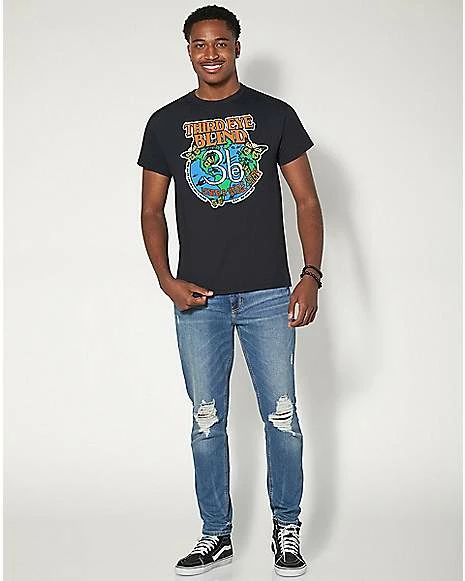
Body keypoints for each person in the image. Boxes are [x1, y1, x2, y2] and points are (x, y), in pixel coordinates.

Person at [137, 5, 324, 577]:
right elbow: (151, 211)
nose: (210, 53)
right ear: (188, 51)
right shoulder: (165, 123)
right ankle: (215, 534)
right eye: (199, 44)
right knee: (206, 421)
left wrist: (311, 274)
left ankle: (286, 529)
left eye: (220, 42)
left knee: (282, 417)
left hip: (268, 294)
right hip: (200, 300)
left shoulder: (274, 115)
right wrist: (166, 281)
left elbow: (307, 200)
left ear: (237, 47)